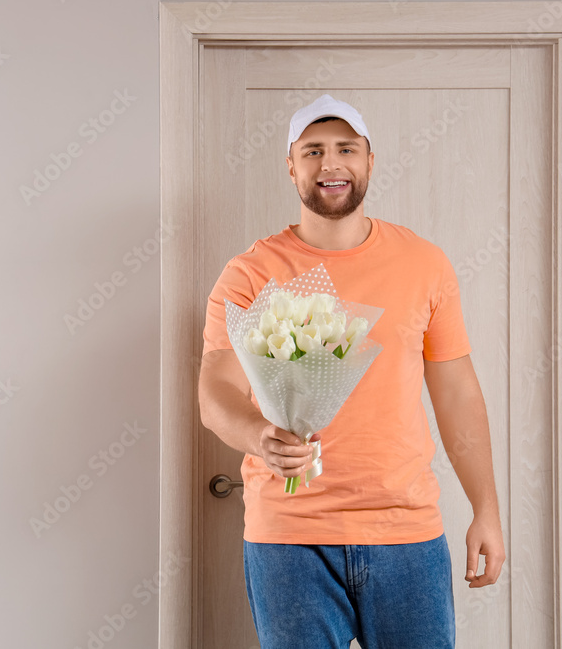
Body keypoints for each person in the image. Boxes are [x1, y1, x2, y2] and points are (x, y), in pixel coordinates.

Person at [198, 93, 504, 649]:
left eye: (346, 149)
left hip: (407, 531)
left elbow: (458, 394)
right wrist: (259, 436)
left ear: (369, 160)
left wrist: (487, 510)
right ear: (291, 165)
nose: (330, 164)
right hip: (289, 539)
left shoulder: (424, 264)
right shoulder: (250, 273)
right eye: (312, 150)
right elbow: (216, 391)